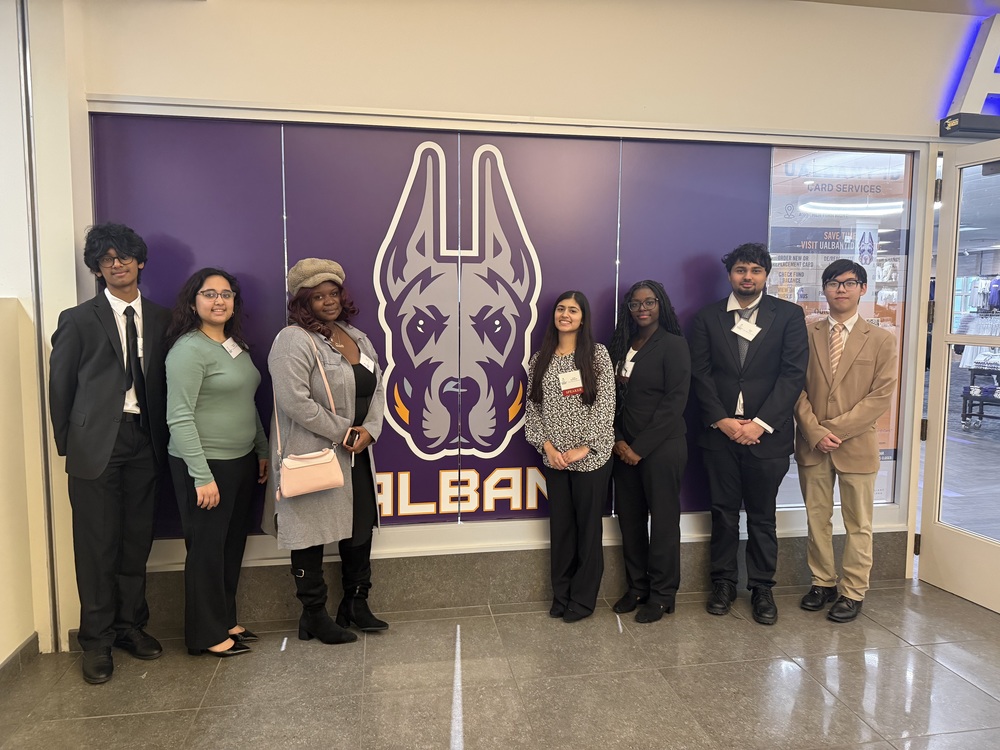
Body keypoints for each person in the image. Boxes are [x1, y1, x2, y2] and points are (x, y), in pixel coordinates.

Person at [49, 223, 170, 684]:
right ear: (97, 269)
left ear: (140, 261)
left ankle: (129, 627)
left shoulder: (161, 318)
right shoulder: (78, 318)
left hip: (145, 441)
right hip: (95, 447)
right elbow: (60, 387)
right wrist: (69, 446)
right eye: (106, 259)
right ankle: (96, 641)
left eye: (124, 256)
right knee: (96, 546)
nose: (116, 264)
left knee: (136, 542)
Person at [264, 258, 387, 645]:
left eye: (333, 293)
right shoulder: (293, 340)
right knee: (309, 533)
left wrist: (370, 430)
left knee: (360, 527)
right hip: (313, 455)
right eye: (318, 296)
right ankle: (313, 615)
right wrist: (343, 431)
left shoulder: (356, 336)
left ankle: (355, 603)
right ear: (303, 302)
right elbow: (293, 401)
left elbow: (379, 388)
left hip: (357, 454)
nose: (329, 301)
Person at [690, 242, 807, 625]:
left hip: (767, 436)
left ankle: (762, 588)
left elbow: (793, 374)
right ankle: (723, 583)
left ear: (766, 275)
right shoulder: (707, 318)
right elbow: (700, 374)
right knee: (723, 514)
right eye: (741, 270)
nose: (748, 277)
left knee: (762, 517)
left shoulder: (788, 315)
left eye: (756, 270)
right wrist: (722, 420)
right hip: (719, 435)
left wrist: (761, 423)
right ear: (730, 275)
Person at [165, 268, 269, 657]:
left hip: (240, 461)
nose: (219, 301)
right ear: (193, 303)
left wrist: (261, 449)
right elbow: (179, 417)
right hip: (204, 464)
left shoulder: (234, 345)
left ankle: (224, 619)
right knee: (207, 549)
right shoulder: (188, 350)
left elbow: (246, 401)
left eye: (226, 294)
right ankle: (206, 634)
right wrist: (201, 475)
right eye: (209, 294)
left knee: (229, 545)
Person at [795, 260, 897, 623]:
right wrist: (815, 431)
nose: (841, 289)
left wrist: (834, 430)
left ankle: (853, 591)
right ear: (824, 289)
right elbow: (794, 387)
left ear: (863, 289)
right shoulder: (806, 334)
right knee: (816, 518)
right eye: (833, 283)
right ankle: (822, 582)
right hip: (812, 445)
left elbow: (880, 397)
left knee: (859, 523)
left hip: (856, 446)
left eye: (849, 283)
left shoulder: (882, 339)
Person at [525, 291, 615, 623]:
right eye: (561, 309)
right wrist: (548, 447)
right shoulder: (540, 359)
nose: (566, 314)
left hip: (591, 458)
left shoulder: (597, 355)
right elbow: (533, 409)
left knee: (588, 530)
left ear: (583, 318)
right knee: (561, 529)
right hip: (556, 460)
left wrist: (585, 448)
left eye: (573, 310)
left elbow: (606, 405)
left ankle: (583, 599)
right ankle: (561, 595)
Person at [608, 280, 690, 623]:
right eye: (635, 304)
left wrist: (639, 449)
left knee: (664, 523)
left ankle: (662, 594)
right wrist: (618, 440)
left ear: (661, 305)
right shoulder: (621, 346)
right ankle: (637, 587)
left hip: (662, 448)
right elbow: (609, 400)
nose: (642, 309)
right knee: (630, 521)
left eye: (649, 302)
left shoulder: (674, 345)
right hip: (623, 448)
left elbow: (675, 403)